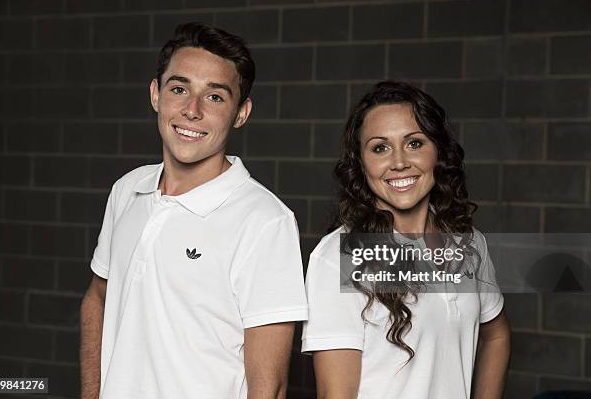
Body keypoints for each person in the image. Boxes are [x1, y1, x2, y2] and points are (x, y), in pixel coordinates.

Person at [79, 22, 308, 399]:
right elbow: (97, 298)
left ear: (241, 113)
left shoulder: (266, 220)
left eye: (215, 97)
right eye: (179, 89)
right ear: (156, 94)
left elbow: (270, 386)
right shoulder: (127, 190)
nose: (192, 110)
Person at [301, 81, 510, 398]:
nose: (399, 162)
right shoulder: (339, 256)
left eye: (414, 143)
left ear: (438, 152)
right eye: (380, 148)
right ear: (361, 163)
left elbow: (496, 335)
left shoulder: (468, 243)